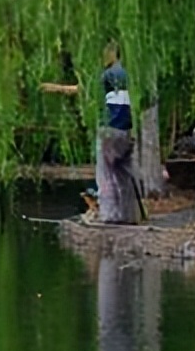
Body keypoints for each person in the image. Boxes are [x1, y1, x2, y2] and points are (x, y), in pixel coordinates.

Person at [41, 42, 142, 224]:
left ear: (112, 53)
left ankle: (109, 216)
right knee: (124, 174)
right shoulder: (127, 75)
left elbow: (83, 91)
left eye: (104, 52)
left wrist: (53, 88)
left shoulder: (105, 76)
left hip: (109, 129)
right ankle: (129, 216)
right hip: (126, 131)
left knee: (106, 175)